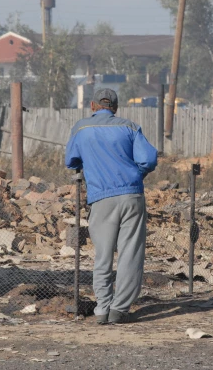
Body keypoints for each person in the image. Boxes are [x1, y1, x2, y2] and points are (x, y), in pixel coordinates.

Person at [65, 88, 157, 324]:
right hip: (131, 196)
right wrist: (136, 175)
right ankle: (119, 309)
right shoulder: (130, 127)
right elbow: (148, 159)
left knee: (103, 256)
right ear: (115, 108)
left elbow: (71, 161)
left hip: (101, 198)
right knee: (130, 254)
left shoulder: (82, 128)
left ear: (93, 106)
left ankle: (102, 309)